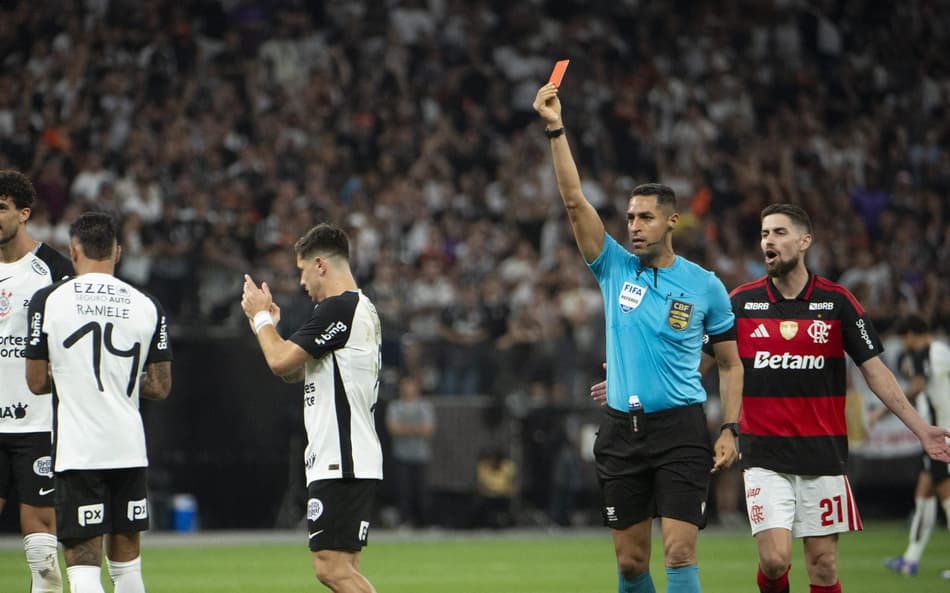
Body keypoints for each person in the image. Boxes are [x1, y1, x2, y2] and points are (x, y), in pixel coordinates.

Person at [533, 83, 744, 593]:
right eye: (629, 218)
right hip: (621, 433)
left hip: (680, 433)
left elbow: (730, 362)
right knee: (630, 564)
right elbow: (573, 200)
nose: (634, 227)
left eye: (645, 217)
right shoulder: (613, 269)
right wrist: (556, 128)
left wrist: (731, 428)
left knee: (678, 550)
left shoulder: (705, 286)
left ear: (672, 221)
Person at [707, 204, 950, 593]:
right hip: (764, 455)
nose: (768, 240)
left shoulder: (838, 303)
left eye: (779, 233)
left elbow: (877, 373)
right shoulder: (740, 303)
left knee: (823, 566)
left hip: (822, 456)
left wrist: (922, 430)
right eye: (764, 233)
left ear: (805, 241)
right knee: (773, 561)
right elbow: (699, 362)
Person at [24, 211, 173, 593]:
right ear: (118, 252)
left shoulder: (48, 300)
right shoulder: (147, 303)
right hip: (129, 449)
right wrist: (116, 378)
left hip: (79, 453)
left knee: (83, 565)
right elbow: (159, 386)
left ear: (73, 250)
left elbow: (37, 381)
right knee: (127, 568)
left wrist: (76, 377)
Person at [241, 223, 382, 593]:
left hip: (342, 456)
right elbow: (296, 372)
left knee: (331, 569)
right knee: (345, 566)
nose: (301, 282)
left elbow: (278, 361)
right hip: (349, 454)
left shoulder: (339, 308)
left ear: (320, 265)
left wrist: (259, 319)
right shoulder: (359, 308)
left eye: (302, 271)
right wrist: (273, 327)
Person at [0, 170, 73, 593]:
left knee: (44, 557)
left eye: (2, 208)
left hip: (37, 424)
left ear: (24, 213)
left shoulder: (55, 271)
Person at [883, 314, 950, 577]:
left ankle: (911, 559)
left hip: (939, 436)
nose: (905, 344)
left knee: (945, 494)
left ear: (911, 334)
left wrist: (887, 407)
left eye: (904, 338)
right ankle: (911, 559)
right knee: (924, 493)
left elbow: (919, 385)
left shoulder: (923, 353)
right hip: (943, 432)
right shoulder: (942, 349)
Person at [385, 375, 436, 528]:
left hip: (421, 455)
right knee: (403, 490)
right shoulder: (395, 406)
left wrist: (405, 428)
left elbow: (429, 429)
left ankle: (425, 522)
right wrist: (416, 428)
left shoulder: (425, 406)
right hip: (401, 455)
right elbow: (393, 429)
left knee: (422, 490)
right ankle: (405, 521)